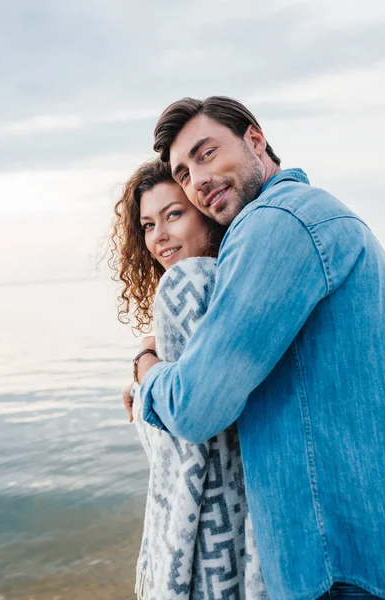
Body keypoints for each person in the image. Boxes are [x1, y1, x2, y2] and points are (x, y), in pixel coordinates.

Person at [132, 97, 385, 600]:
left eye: (206, 154)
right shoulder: (325, 217)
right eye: (184, 174)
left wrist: (147, 369)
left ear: (255, 139)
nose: (198, 180)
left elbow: (194, 406)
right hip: (363, 550)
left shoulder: (277, 223)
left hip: (332, 567)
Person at [110, 158, 266, 599]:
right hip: (248, 527)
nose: (158, 236)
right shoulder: (234, 286)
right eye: (147, 224)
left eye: (173, 215)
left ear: (206, 214)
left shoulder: (186, 283)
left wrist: (144, 359)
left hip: (201, 537)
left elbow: (189, 421)